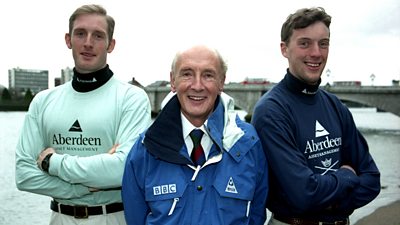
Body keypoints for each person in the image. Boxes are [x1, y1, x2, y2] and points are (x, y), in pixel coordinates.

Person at [15, 4, 151, 225]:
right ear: (68, 40)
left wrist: (52, 163)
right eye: (80, 34)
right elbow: (24, 175)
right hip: (60, 218)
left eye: (98, 35)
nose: (88, 43)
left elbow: (121, 170)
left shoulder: (131, 98)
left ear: (111, 44)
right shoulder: (43, 101)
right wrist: (86, 187)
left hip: (112, 218)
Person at [251, 7, 381, 225]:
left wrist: (329, 203)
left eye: (323, 43)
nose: (316, 53)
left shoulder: (335, 106)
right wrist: (347, 176)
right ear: (284, 49)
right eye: (304, 43)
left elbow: (372, 180)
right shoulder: (271, 111)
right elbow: (303, 195)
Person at [121, 45, 269, 225]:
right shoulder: (145, 149)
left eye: (208, 75)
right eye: (187, 74)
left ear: (221, 82)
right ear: (173, 81)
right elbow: (135, 217)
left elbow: (256, 214)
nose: (197, 85)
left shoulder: (247, 143)